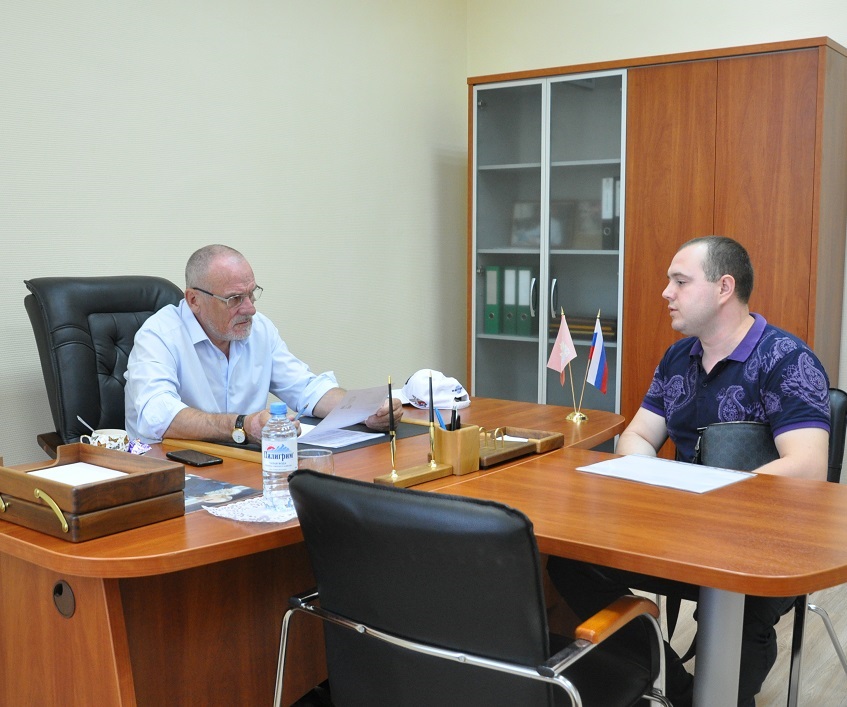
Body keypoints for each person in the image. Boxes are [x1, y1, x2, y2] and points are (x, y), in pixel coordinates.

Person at [547, 236, 830, 707]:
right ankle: (677, 688)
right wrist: (659, 483)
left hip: (762, 543)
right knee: (569, 562)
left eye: (680, 281)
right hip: (680, 533)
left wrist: (714, 493)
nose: (666, 292)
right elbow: (636, 437)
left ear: (724, 288)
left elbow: (807, 467)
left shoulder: (787, 360)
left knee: (739, 611)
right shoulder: (678, 358)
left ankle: (707, 694)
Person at [124, 244, 402, 445]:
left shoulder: (258, 329)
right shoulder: (159, 335)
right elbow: (156, 415)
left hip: (244, 464)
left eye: (251, 294)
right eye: (234, 299)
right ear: (194, 300)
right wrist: (242, 425)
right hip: (174, 470)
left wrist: (365, 411)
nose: (250, 309)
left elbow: (306, 389)